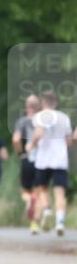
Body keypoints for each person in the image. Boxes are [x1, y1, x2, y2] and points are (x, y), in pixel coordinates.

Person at [26, 90, 73, 237]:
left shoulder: (39, 116)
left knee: (43, 189)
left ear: (42, 103)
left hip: (43, 160)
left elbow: (39, 133)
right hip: (60, 160)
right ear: (55, 102)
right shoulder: (64, 117)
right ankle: (60, 222)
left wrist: (31, 145)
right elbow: (69, 141)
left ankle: (47, 210)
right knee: (60, 193)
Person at [12, 95, 41, 232]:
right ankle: (35, 224)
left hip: (27, 158)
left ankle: (28, 200)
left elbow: (16, 139)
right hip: (42, 160)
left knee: (25, 191)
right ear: (38, 107)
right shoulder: (43, 121)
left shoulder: (22, 121)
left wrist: (20, 153)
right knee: (39, 192)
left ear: (26, 107)